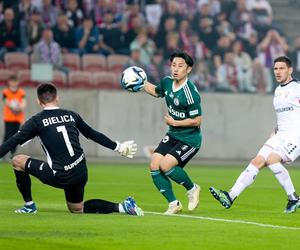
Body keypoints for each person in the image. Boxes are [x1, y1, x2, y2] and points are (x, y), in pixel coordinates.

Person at [0, 82, 143, 216]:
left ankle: (29, 206)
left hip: (61, 175)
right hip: (80, 171)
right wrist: (119, 147)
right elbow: (92, 134)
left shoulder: (36, 121)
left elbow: (12, 142)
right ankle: (123, 207)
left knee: (17, 161)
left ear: (39, 102)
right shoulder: (71, 115)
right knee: (77, 208)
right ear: (57, 98)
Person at [209, 56, 300, 213]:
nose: (278, 72)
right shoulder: (278, 91)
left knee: (272, 160)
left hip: (295, 136)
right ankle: (230, 196)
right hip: (280, 135)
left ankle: (293, 198)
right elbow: (285, 117)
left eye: (282, 68)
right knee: (257, 161)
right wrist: (274, 132)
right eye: (275, 69)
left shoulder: (297, 88)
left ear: (290, 70)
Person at [143, 51, 202, 215]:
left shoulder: (190, 92)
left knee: (165, 165)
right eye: (173, 65)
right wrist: (140, 82)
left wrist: (175, 122)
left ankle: (192, 188)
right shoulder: (167, 82)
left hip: (190, 139)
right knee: (154, 163)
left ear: (188, 69)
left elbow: (197, 120)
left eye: (180, 66)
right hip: (173, 134)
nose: (175, 69)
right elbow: (156, 91)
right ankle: (174, 203)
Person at [2, 75, 26, 158]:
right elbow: (6, 102)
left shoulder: (21, 92)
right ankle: (3, 153)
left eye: (15, 81)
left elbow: (23, 102)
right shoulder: (6, 92)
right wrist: (14, 108)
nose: (13, 83)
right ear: (9, 82)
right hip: (8, 118)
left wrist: (20, 108)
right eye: (12, 81)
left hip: (17, 118)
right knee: (7, 135)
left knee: (16, 136)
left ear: (17, 82)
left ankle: (12, 153)